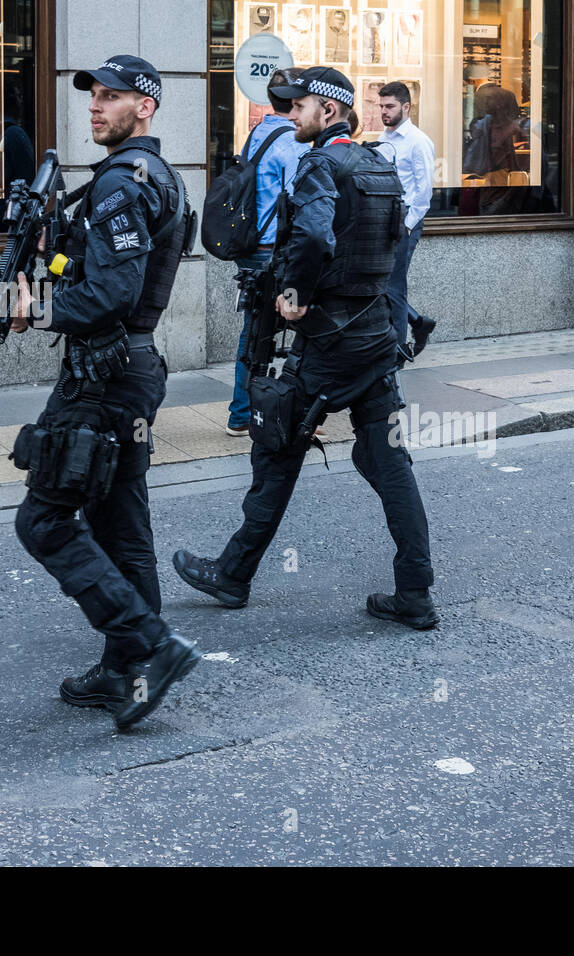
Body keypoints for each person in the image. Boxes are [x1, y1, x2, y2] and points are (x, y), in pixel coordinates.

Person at [172, 67, 439, 630]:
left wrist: (294, 293)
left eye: (299, 107)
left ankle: (232, 575)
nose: (291, 116)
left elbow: (316, 236)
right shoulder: (378, 165)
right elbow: (393, 242)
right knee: (389, 463)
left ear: (330, 110)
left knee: (275, 448)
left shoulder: (322, 163)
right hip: (375, 339)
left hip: (329, 341)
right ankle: (415, 590)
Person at [8, 56, 201, 731]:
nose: (96, 106)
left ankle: (152, 645)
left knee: (43, 520)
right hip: (130, 370)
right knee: (122, 525)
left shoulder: (123, 182)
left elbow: (113, 293)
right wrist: (52, 247)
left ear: (145, 108)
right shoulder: (148, 178)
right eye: (93, 95)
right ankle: (128, 674)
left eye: (113, 97)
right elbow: (103, 267)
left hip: (105, 377)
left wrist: (41, 309)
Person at [225, 68, 309, 439]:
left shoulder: (258, 131)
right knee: (300, 324)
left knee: (254, 331)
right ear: (294, 102)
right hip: (273, 249)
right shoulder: (292, 139)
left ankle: (241, 412)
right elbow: (299, 199)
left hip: (249, 245)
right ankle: (291, 411)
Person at [378, 80, 437, 361]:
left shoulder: (418, 142)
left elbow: (424, 191)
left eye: (389, 106)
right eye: (381, 106)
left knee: (394, 285)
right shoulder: (384, 139)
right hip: (382, 221)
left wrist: (408, 224)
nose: (384, 112)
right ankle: (416, 322)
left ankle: (398, 351)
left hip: (404, 221)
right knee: (382, 283)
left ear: (406, 106)